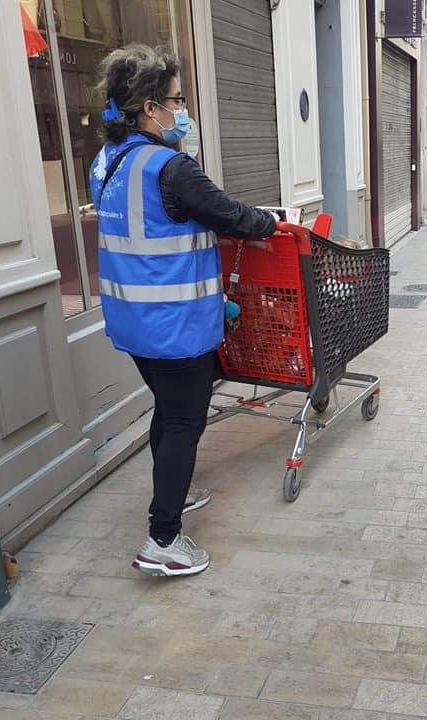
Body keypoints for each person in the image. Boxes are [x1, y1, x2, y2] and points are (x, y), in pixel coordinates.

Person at [91, 44, 278, 577]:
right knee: (184, 421)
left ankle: (174, 494)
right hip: (174, 324)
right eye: (176, 98)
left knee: (167, 412)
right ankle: (163, 538)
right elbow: (233, 215)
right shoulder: (171, 168)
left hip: (132, 320)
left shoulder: (107, 164)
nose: (183, 108)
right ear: (150, 107)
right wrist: (270, 222)